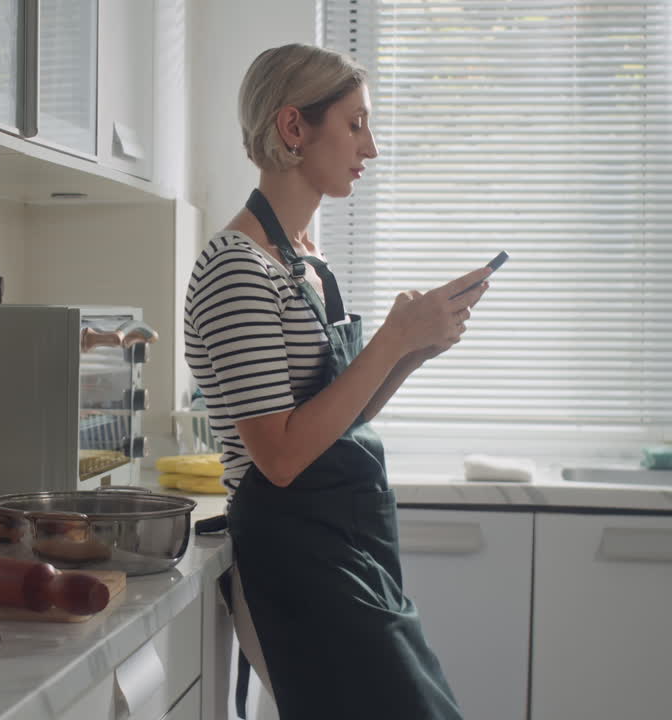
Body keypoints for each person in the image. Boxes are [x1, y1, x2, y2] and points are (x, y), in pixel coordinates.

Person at [183, 43, 492, 719]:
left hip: (350, 548)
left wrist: (414, 349)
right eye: (355, 125)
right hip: (295, 559)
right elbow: (283, 456)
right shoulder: (237, 270)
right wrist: (391, 339)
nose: (370, 148)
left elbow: (336, 419)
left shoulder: (306, 264)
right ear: (295, 129)